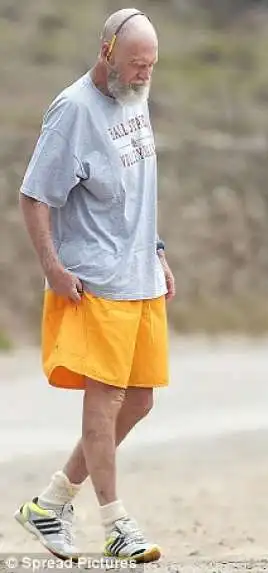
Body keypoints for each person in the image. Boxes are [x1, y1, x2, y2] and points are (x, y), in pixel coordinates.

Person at [13, 7, 174, 564]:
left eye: (150, 66)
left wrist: (157, 248)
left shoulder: (136, 95)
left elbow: (136, 182)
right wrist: (53, 266)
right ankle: (115, 523)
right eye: (134, 64)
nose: (142, 75)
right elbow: (34, 196)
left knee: (141, 400)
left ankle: (51, 502)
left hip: (141, 275)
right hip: (95, 280)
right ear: (106, 52)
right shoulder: (72, 112)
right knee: (103, 403)